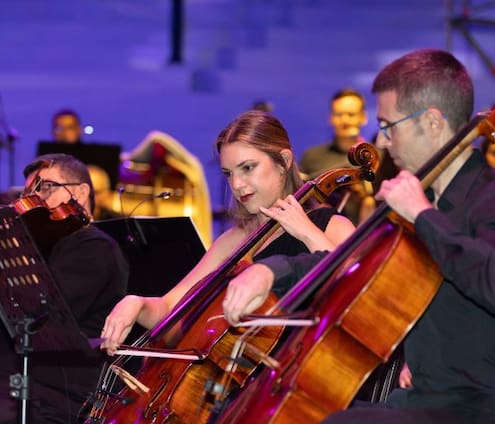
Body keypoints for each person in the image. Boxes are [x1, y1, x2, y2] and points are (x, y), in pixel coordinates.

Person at [221, 49, 495, 424]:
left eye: (389, 127)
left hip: (487, 417)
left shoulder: (491, 198)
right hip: (429, 402)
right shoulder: (429, 198)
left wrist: (422, 215)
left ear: (432, 122)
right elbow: (352, 266)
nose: (383, 142)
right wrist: (272, 271)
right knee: (298, 419)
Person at [101, 110, 355, 353]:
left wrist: (308, 232)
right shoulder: (233, 240)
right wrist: (138, 304)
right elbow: (172, 309)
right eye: (228, 173)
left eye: (248, 168)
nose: (236, 184)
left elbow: (352, 296)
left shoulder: (332, 226)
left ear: (284, 162)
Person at [0, 153, 129, 424]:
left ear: (80, 192)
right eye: (28, 193)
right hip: (24, 386)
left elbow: (37, 315)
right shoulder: (44, 248)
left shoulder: (94, 247)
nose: (34, 201)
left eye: (45, 188)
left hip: (61, 398)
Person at [299, 88, 376, 224]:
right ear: (330, 118)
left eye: (351, 114)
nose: (345, 120)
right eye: (339, 114)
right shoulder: (312, 157)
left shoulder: (378, 156)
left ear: (363, 117)